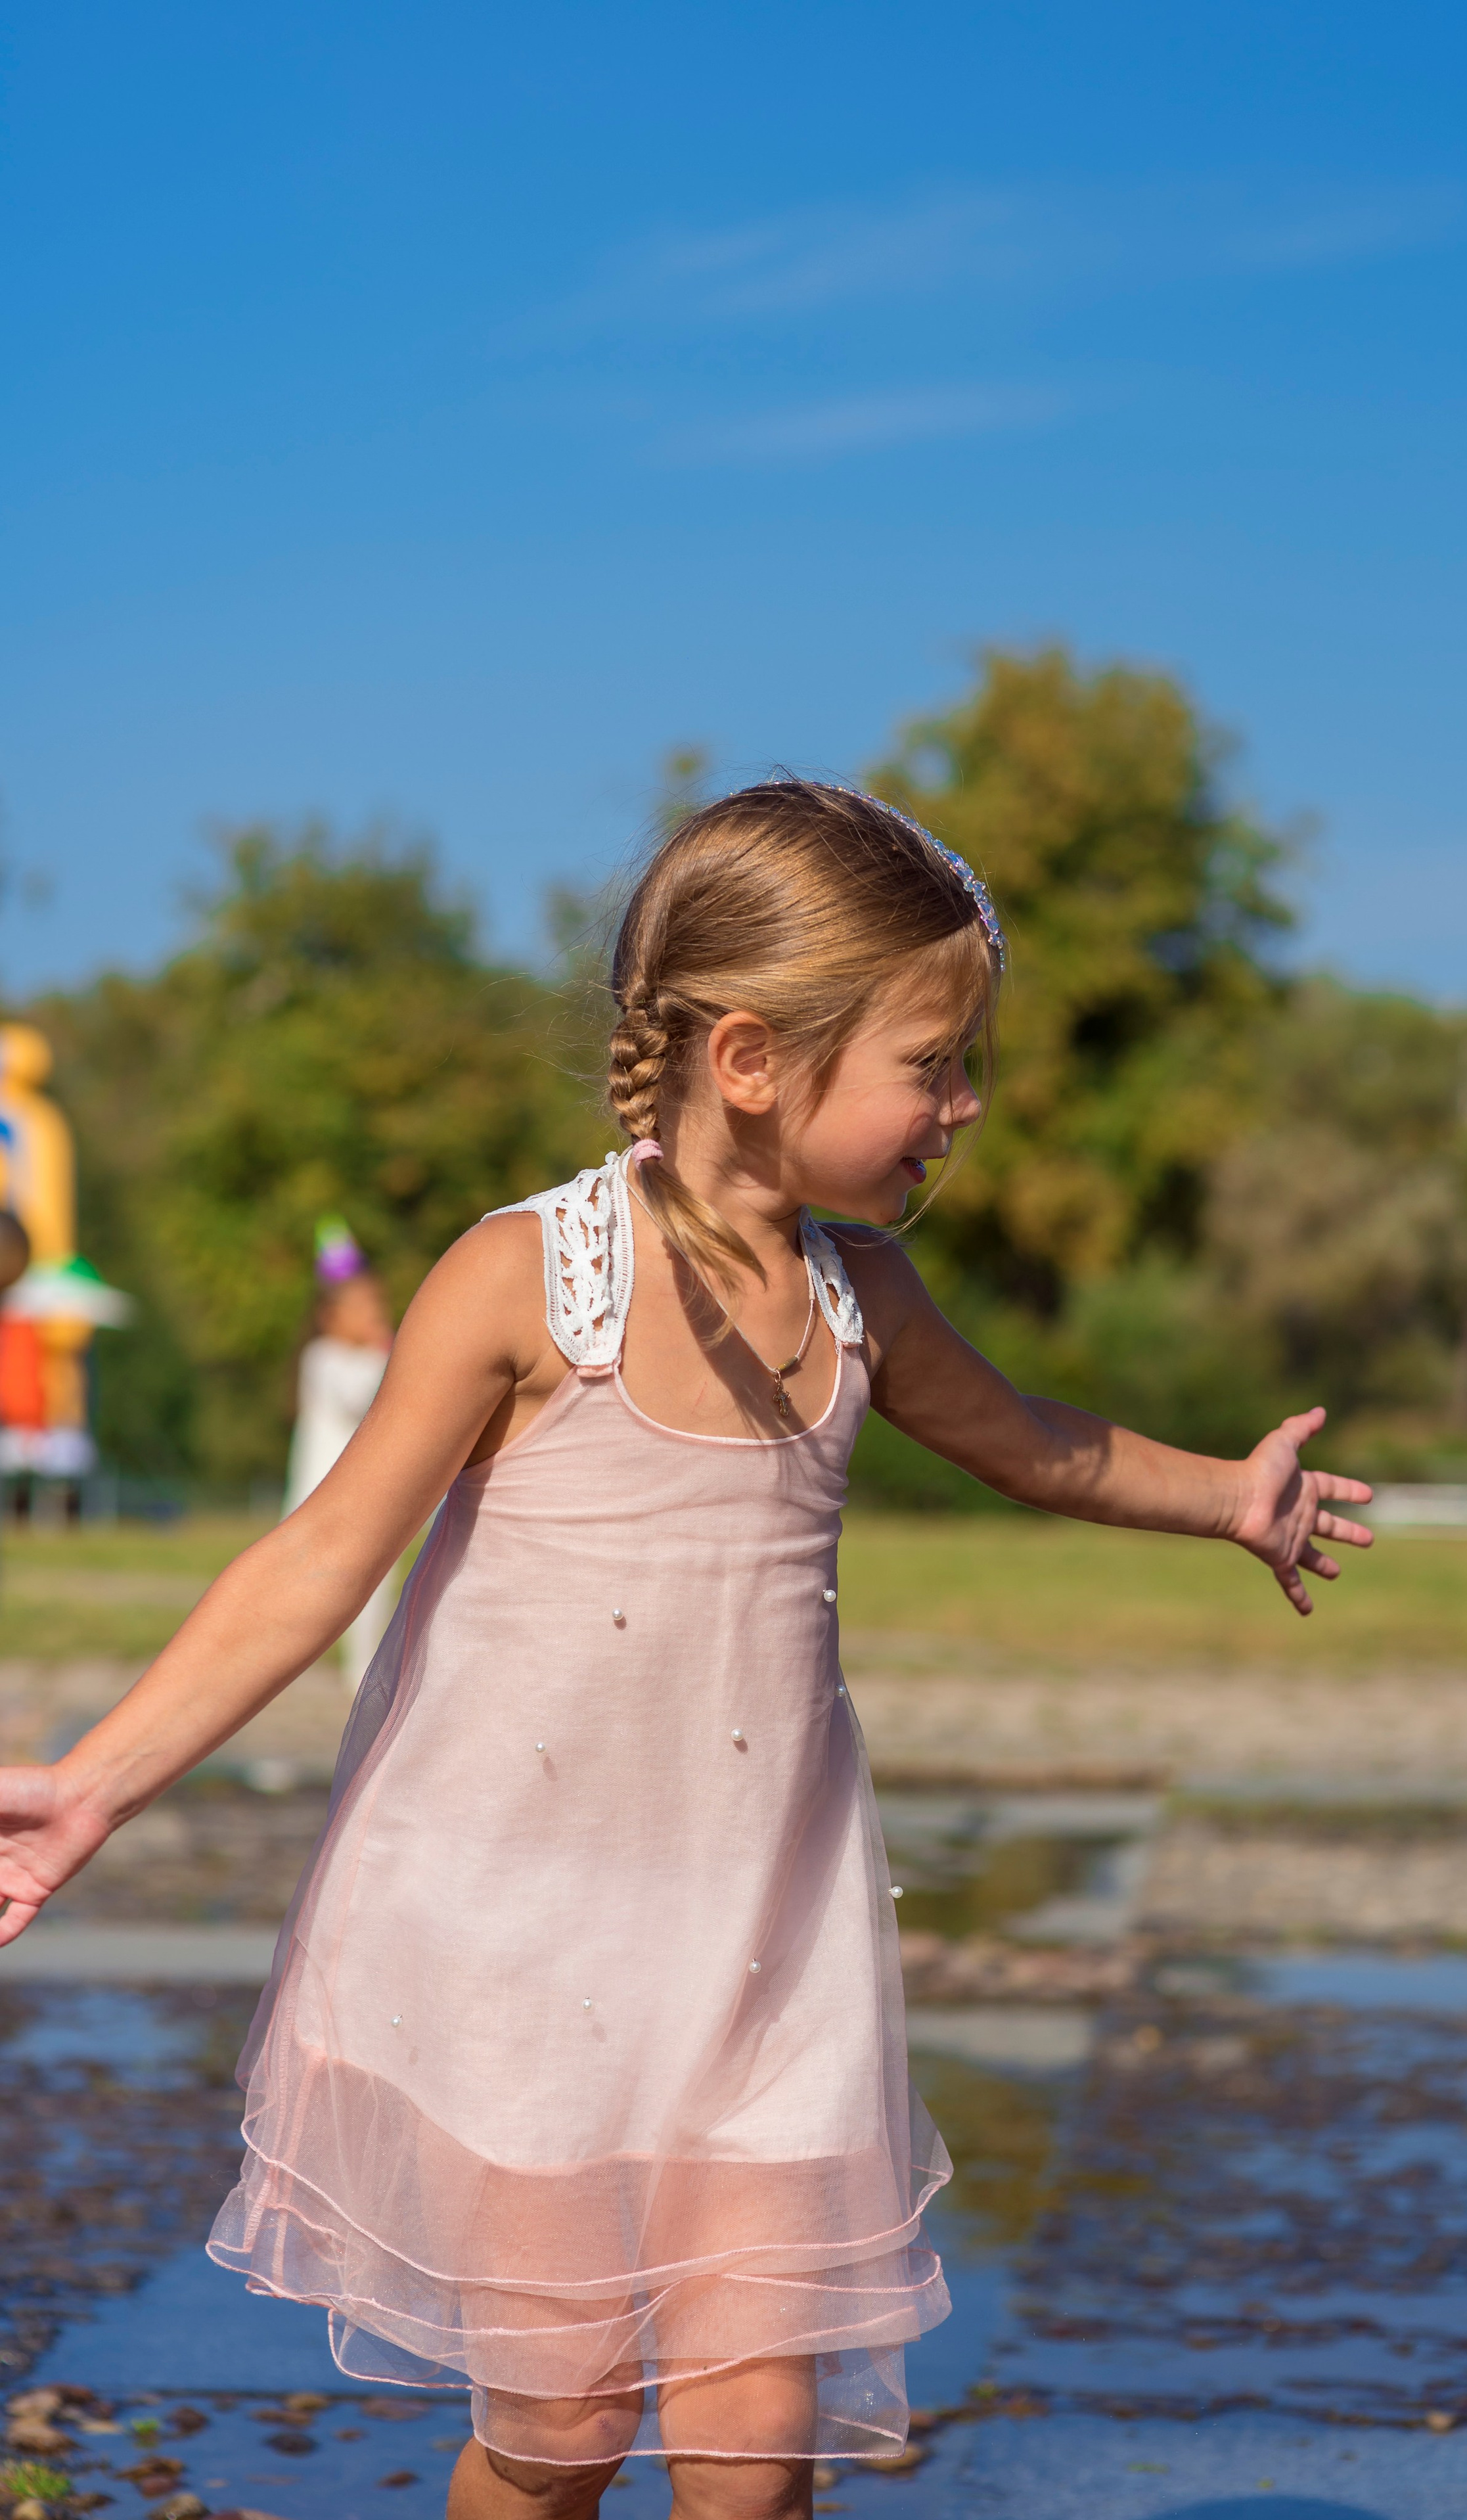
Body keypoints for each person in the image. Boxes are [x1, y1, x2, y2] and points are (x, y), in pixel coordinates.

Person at [0, 783, 1372, 2520]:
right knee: (560, 2428)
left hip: (761, 1951)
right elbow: (314, 1561)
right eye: (933, 1064)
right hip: (514, 1954)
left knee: (748, 2456)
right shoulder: (525, 1281)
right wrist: (94, 1783)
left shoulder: (864, 1295)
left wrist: (1227, 1498)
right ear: (749, 1058)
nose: (966, 1106)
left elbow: (1030, 1438)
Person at [286, 1218, 397, 1687]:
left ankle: (362, 1671)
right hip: (320, 1496)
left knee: (373, 1585)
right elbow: (362, 1395)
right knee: (301, 1594)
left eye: (377, 1303)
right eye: (362, 1306)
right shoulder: (324, 1358)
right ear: (331, 1316)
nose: (375, 1313)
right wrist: (387, 1351)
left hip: (359, 1499)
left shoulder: (368, 1359)